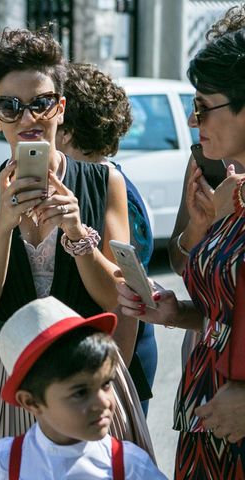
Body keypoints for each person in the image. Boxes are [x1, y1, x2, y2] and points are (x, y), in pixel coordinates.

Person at [0, 28, 152, 479]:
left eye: (41, 102)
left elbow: (113, 297)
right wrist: (3, 223)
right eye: (10, 106)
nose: (28, 118)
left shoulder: (105, 183)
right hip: (4, 373)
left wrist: (78, 232)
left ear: (60, 108)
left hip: (84, 372)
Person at [117, 29, 245, 479]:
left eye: (203, 107)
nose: (194, 122)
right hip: (209, 409)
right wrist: (180, 313)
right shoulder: (233, 191)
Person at [0, 296, 166, 479]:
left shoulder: (129, 466)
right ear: (31, 401)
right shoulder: (5, 465)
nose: (103, 402)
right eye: (80, 393)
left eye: (105, 384)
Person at [56, 63, 157, 416]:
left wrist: (113, 381)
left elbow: (125, 295)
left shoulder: (109, 190)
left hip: (120, 356)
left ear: (65, 131)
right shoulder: (107, 180)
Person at [168, 3, 245, 276]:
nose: (192, 120)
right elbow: (179, 266)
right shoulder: (206, 160)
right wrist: (198, 228)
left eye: (202, 108)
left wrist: (229, 219)